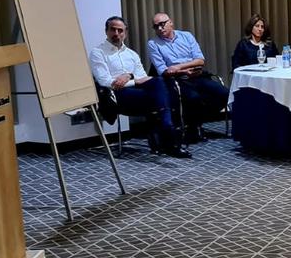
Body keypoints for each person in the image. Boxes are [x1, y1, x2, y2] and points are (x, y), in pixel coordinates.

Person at [90, 16, 190, 158]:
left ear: (125, 33)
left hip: (139, 93)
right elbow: (105, 81)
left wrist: (129, 76)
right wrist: (134, 81)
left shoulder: (132, 54)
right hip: (116, 95)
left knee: (159, 82)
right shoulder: (98, 53)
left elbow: (143, 77)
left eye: (120, 30)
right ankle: (170, 137)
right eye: (113, 30)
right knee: (162, 98)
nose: (116, 33)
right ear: (106, 31)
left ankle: (166, 133)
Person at [147, 12, 230, 141]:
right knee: (193, 98)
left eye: (162, 24)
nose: (159, 28)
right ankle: (194, 127)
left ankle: (197, 121)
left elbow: (200, 60)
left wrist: (180, 67)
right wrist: (184, 72)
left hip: (196, 75)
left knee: (225, 93)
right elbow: (163, 71)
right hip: (176, 79)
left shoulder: (186, 36)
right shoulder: (153, 43)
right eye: (156, 26)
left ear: (171, 22)